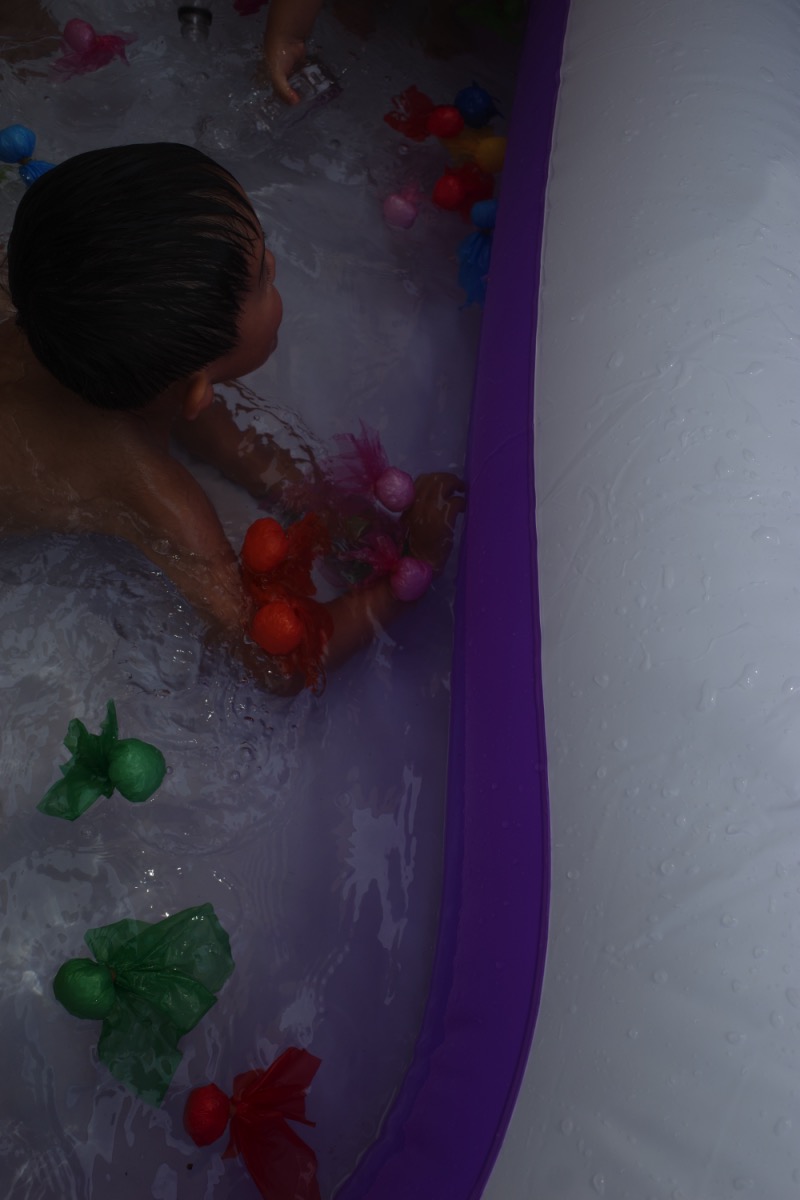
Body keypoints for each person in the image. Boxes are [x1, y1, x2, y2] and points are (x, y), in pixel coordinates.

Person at [1, 142, 464, 690]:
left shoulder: (48, 297)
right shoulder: (147, 487)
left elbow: (222, 435)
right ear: (196, 388)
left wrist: (324, 507)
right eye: (262, 278)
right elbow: (270, 663)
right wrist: (410, 573)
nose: (275, 265)